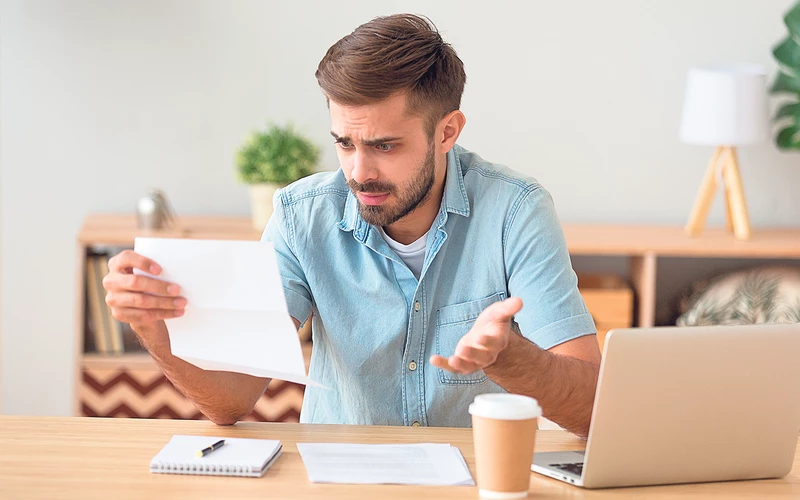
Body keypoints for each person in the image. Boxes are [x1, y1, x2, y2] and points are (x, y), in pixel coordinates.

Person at [103, 13, 601, 437]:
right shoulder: (301, 217)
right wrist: (152, 329)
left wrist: (512, 358)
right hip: (337, 480)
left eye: (384, 146)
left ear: (446, 132)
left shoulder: (516, 213)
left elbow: (591, 408)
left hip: (472, 480)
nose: (359, 173)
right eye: (344, 143)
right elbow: (232, 401)